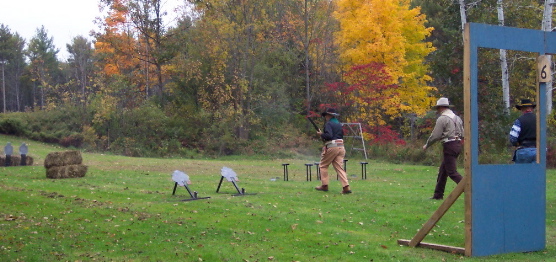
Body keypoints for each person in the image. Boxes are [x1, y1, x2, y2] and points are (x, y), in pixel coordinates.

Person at [423, 98, 464, 200]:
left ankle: (469, 188)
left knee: (452, 172)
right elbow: (462, 134)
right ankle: (438, 195)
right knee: (443, 171)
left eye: (438, 108)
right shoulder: (457, 118)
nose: (437, 110)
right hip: (458, 144)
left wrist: (427, 145)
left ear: (441, 107)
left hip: (449, 145)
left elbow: (435, 135)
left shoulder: (442, 119)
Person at [314, 108, 352, 194]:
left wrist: (321, 134)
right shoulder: (338, 124)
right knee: (339, 167)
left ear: (329, 115)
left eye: (326, 115)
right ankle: (346, 187)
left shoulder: (329, 123)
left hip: (332, 146)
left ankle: (324, 185)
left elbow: (329, 136)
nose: (325, 117)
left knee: (323, 165)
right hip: (341, 146)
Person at [509, 99, 536, 163]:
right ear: (531, 109)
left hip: (523, 150)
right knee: (536, 172)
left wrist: (516, 144)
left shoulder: (519, 120)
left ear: (523, 109)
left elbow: (513, 138)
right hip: (537, 151)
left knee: (520, 172)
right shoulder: (539, 120)